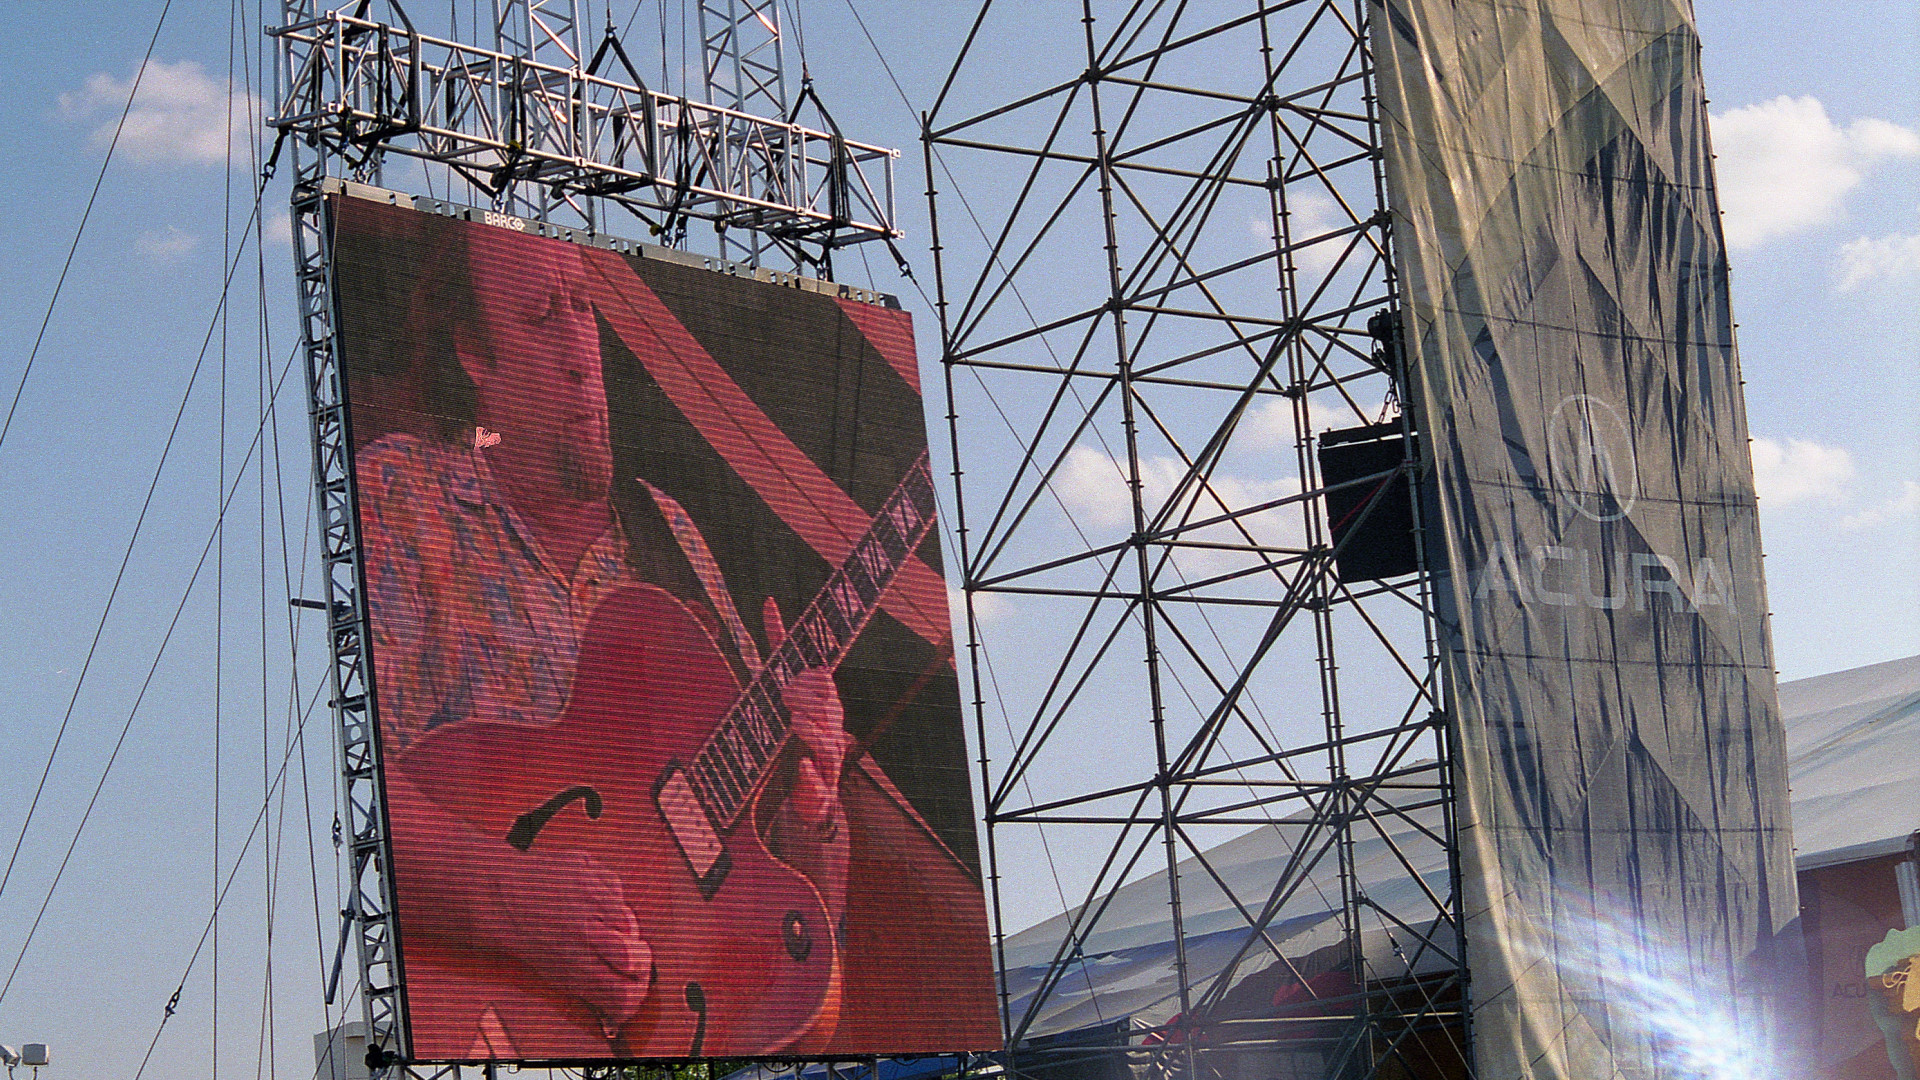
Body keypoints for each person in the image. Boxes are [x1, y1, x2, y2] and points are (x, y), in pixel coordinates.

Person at [352, 222, 855, 1051]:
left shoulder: (673, 539)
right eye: (546, 316)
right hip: (490, 1030)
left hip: (676, 1027)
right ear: (474, 357)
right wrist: (512, 896)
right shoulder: (405, 496)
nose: (584, 350)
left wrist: (816, 807)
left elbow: (795, 918)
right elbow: (362, 782)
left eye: (585, 307)